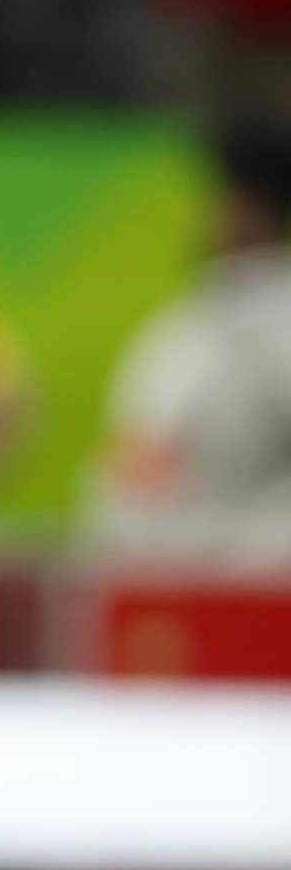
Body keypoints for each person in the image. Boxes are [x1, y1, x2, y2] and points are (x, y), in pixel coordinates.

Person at [87, 121, 291, 570]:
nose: (211, 217)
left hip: (253, 580)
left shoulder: (275, 320)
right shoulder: (196, 316)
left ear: (256, 208)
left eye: (225, 202)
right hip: (163, 573)